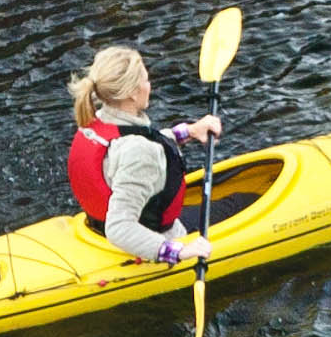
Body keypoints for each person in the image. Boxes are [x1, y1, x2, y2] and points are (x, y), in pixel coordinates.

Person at [65, 45, 224, 266]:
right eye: (146, 80)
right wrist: (177, 251)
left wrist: (188, 131)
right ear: (132, 93)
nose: (150, 86)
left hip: (96, 231)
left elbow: (134, 147)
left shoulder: (94, 123)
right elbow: (119, 227)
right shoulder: (141, 153)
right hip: (153, 238)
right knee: (237, 202)